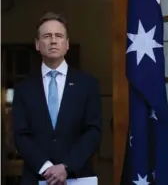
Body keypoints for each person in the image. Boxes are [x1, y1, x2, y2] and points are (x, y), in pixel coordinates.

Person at [12, 12, 102, 185]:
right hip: (36, 177)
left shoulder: (87, 84)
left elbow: (93, 131)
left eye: (59, 36)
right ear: (37, 44)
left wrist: (66, 166)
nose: (53, 41)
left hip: (77, 177)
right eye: (47, 36)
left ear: (66, 44)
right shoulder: (23, 88)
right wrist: (46, 167)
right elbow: (20, 135)